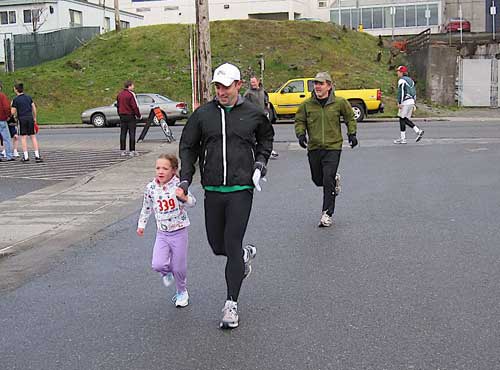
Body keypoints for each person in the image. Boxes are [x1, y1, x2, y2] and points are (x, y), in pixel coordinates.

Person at [179, 62, 274, 329]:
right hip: (213, 189)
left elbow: (266, 139)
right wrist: (186, 178)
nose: (221, 91)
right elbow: (188, 146)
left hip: (241, 189)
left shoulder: (254, 114)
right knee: (216, 245)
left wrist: (260, 163)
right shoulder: (202, 115)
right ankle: (243, 256)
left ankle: (231, 304)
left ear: (238, 85)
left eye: (226, 86)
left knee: (231, 243)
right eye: (218, 86)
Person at [295, 72, 358, 228]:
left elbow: (350, 117)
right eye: (315, 83)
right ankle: (333, 181)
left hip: (333, 146)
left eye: (321, 83)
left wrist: (352, 133)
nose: (317, 86)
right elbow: (300, 121)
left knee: (327, 179)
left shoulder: (339, 102)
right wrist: (301, 134)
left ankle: (327, 213)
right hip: (314, 147)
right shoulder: (307, 105)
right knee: (318, 180)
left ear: (329, 86)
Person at [137, 153, 196, 308]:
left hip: (179, 232)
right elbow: (146, 207)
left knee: (179, 267)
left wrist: (183, 197)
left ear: (174, 170)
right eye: (158, 168)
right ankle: (166, 272)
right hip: (162, 233)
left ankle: (182, 291)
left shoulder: (179, 185)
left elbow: (193, 202)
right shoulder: (151, 188)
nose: (160, 171)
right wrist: (141, 225)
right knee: (158, 264)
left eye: (165, 168)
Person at [244, 76, 279, 159]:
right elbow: (244, 106)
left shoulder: (263, 91)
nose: (252, 84)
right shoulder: (248, 93)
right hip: (253, 118)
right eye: (251, 82)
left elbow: (267, 103)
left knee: (265, 135)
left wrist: (267, 111)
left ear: (258, 82)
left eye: (253, 82)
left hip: (263, 117)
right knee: (254, 136)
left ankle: (269, 151)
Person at [11, 83, 42, 163]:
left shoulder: (16, 99)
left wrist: (13, 113)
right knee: (33, 136)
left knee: (23, 137)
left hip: (22, 119)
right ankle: (37, 155)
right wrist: (34, 117)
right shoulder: (28, 97)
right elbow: (34, 107)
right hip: (30, 118)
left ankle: (26, 156)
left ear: (16, 89)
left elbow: (12, 112)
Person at [394, 65, 424, 144]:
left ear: (402, 73)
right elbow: (414, 92)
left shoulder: (401, 81)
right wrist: (414, 103)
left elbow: (401, 92)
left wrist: (400, 102)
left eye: (398, 71)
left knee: (402, 118)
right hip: (411, 101)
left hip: (405, 102)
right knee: (404, 119)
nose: (397, 73)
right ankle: (406, 136)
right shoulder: (411, 80)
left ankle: (415, 132)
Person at [116, 80, 141, 156]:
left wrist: (119, 114)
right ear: (129, 86)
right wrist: (138, 115)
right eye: (133, 85)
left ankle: (122, 150)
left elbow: (118, 105)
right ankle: (132, 150)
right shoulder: (131, 95)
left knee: (123, 133)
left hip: (122, 116)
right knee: (132, 133)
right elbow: (134, 106)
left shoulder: (120, 94)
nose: (134, 87)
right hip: (130, 116)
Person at [0, 81, 15, 162]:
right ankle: (9, 155)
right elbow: (6, 107)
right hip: (2, 119)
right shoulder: (2, 96)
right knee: (6, 138)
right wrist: (8, 116)